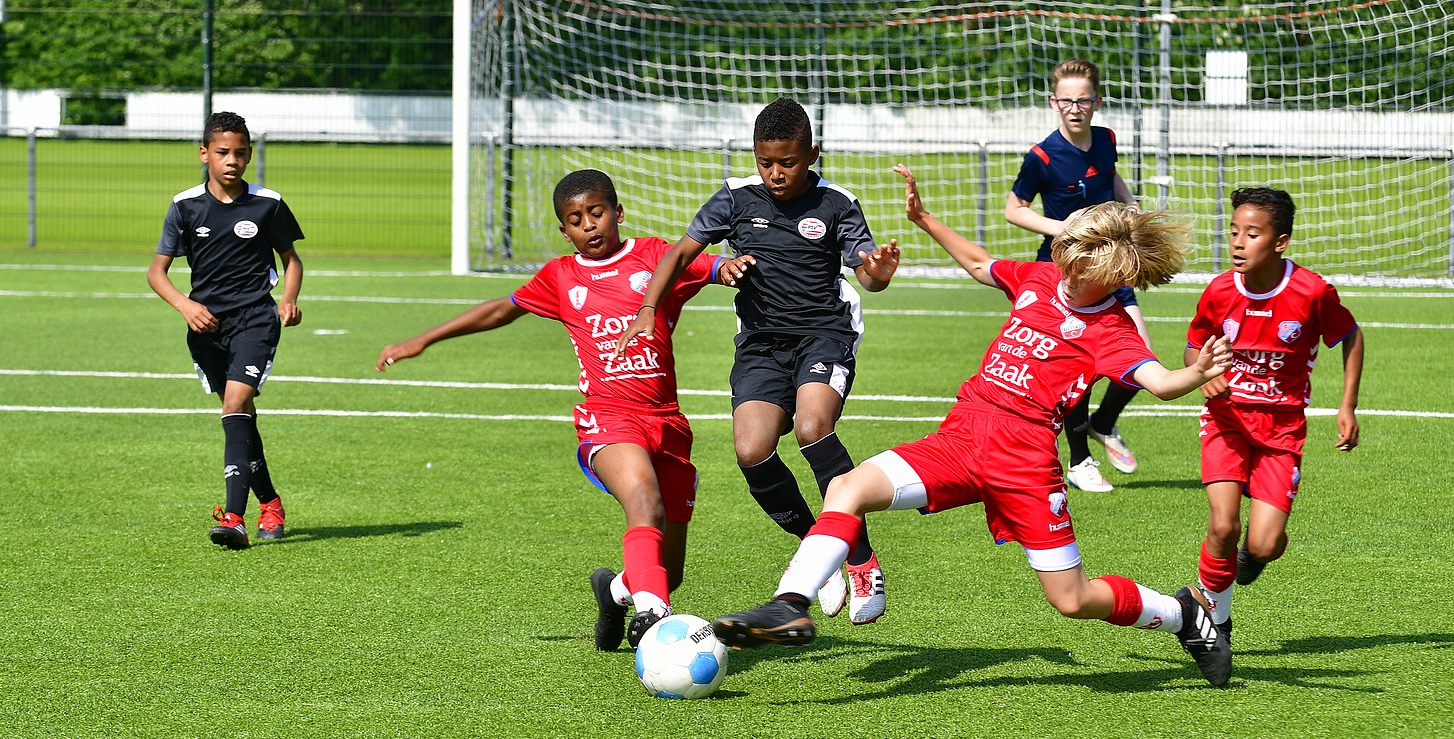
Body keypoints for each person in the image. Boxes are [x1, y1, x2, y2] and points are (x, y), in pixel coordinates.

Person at [711, 164, 1236, 689]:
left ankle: (1182, 615)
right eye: (1066, 262)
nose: (1069, 276)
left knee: (1071, 599)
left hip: (1024, 465)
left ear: (1117, 276)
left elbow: (1161, 381)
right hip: (960, 439)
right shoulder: (1039, 278)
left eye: (1084, 272)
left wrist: (1196, 371)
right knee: (846, 488)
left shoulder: (1111, 330)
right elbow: (981, 263)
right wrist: (926, 220)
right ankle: (790, 604)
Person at [377, 169, 750, 650]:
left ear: (618, 212)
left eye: (597, 213)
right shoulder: (561, 276)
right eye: (576, 220)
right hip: (607, 416)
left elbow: (716, 269)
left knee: (668, 571)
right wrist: (422, 340)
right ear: (564, 230)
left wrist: (732, 267)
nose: (589, 226)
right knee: (644, 505)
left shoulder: (656, 257)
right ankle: (656, 618)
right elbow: (501, 309)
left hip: (668, 421)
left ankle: (616, 593)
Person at [616, 98, 901, 625]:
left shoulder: (837, 203)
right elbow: (678, 255)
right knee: (751, 450)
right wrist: (649, 307)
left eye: (788, 162)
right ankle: (822, 550)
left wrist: (879, 271)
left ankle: (861, 559)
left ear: (812, 154)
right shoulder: (734, 198)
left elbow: (867, 274)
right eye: (765, 161)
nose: (775, 173)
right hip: (761, 344)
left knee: (814, 427)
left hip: (823, 335)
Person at [1183, 187, 1364, 641]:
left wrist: (1347, 406)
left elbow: (1351, 335)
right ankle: (1217, 620)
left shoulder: (1311, 291)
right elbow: (1192, 347)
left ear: (1280, 242)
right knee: (1223, 524)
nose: (1238, 243)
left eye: (1252, 234)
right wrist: (1202, 374)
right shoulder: (1220, 290)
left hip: (1282, 430)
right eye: (1233, 232)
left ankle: (1258, 555)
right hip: (1225, 421)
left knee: (1262, 543)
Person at [148, 111, 305, 550]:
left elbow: (291, 259)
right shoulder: (184, 206)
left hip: (255, 318)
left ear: (250, 155)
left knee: (236, 404)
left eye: (240, 153)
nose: (232, 160)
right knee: (240, 420)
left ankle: (233, 516)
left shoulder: (268, 203)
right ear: (205, 155)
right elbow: (157, 272)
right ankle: (270, 503)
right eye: (222, 152)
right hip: (207, 327)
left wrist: (288, 299)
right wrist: (185, 305)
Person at [1005, 58, 1146, 493]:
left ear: (1096, 102)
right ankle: (1080, 459)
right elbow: (1013, 210)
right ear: (1053, 102)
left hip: (1112, 265)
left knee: (1140, 356)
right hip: (1063, 273)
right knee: (1078, 365)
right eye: (1066, 100)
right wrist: (1062, 228)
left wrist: (1131, 204)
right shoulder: (1042, 156)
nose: (1074, 107)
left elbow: (1110, 176)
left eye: (1083, 99)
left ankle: (1105, 422)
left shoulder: (1106, 139)